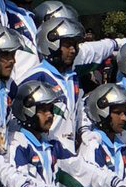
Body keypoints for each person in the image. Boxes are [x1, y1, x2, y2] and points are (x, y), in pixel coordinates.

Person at [6, 81, 126, 187]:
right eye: (43, 110)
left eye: (51, 109)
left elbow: (80, 168)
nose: (50, 115)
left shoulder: (52, 145)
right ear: (27, 111)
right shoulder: (17, 144)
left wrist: (113, 181)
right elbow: (21, 183)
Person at [16, 17, 88, 147]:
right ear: (51, 45)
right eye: (67, 45)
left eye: (75, 45)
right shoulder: (37, 76)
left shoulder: (73, 77)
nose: (73, 50)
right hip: (45, 150)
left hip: (68, 152)